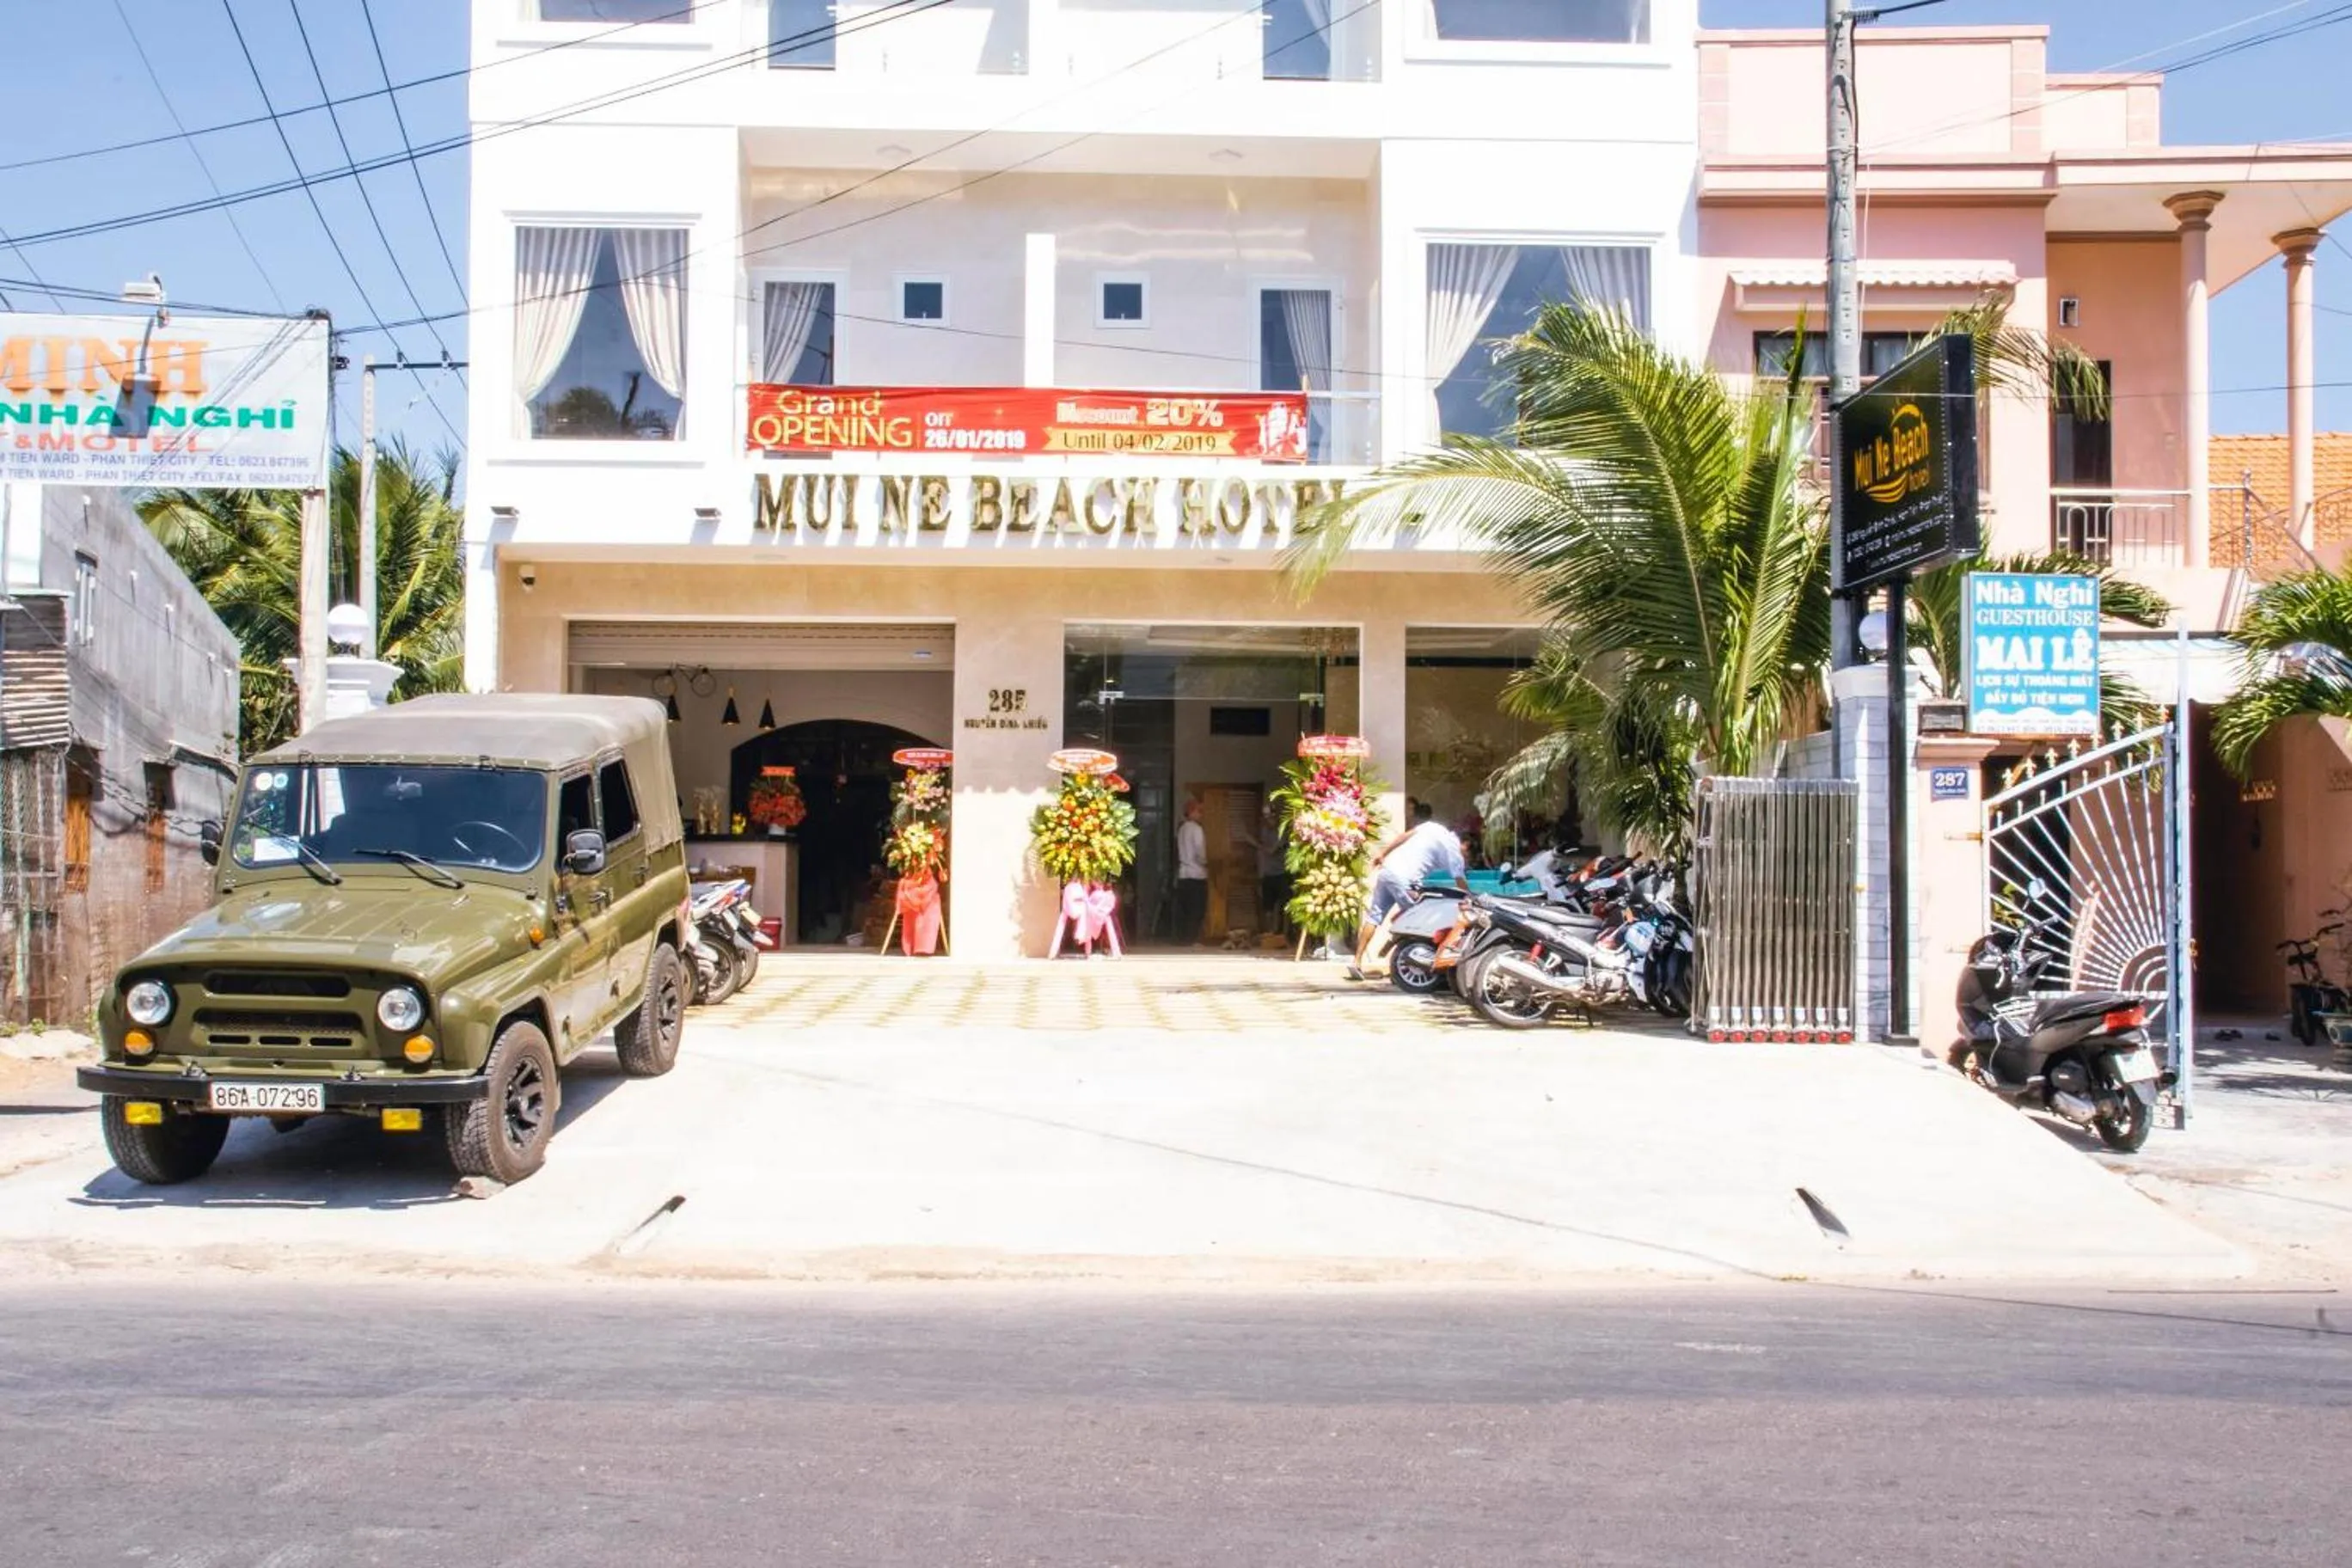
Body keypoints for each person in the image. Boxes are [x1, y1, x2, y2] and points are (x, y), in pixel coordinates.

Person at [1357, 801, 1467, 968]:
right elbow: (1459, 880)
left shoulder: (1432, 827)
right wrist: (1472, 897)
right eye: (1468, 852)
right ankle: (1400, 954)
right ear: (1464, 845)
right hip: (1403, 879)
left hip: (1387, 870)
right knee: (1420, 918)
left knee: (1375, 916)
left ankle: (1356, 961)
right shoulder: (1454, 851)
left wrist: (1382, 854)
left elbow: (1403, 836)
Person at [1173, 798, 1210, 946]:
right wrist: (1206, 862)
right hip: (1197, 873)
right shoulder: (1197, 829)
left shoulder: (1181, 829)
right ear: (1192, 812)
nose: (1201, 815)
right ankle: (1193, 939)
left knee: (1185, 908)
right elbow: (1200, 851)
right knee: (1197, 908)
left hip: (1183, 874)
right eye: (1199, 811)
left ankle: (1183, 939)